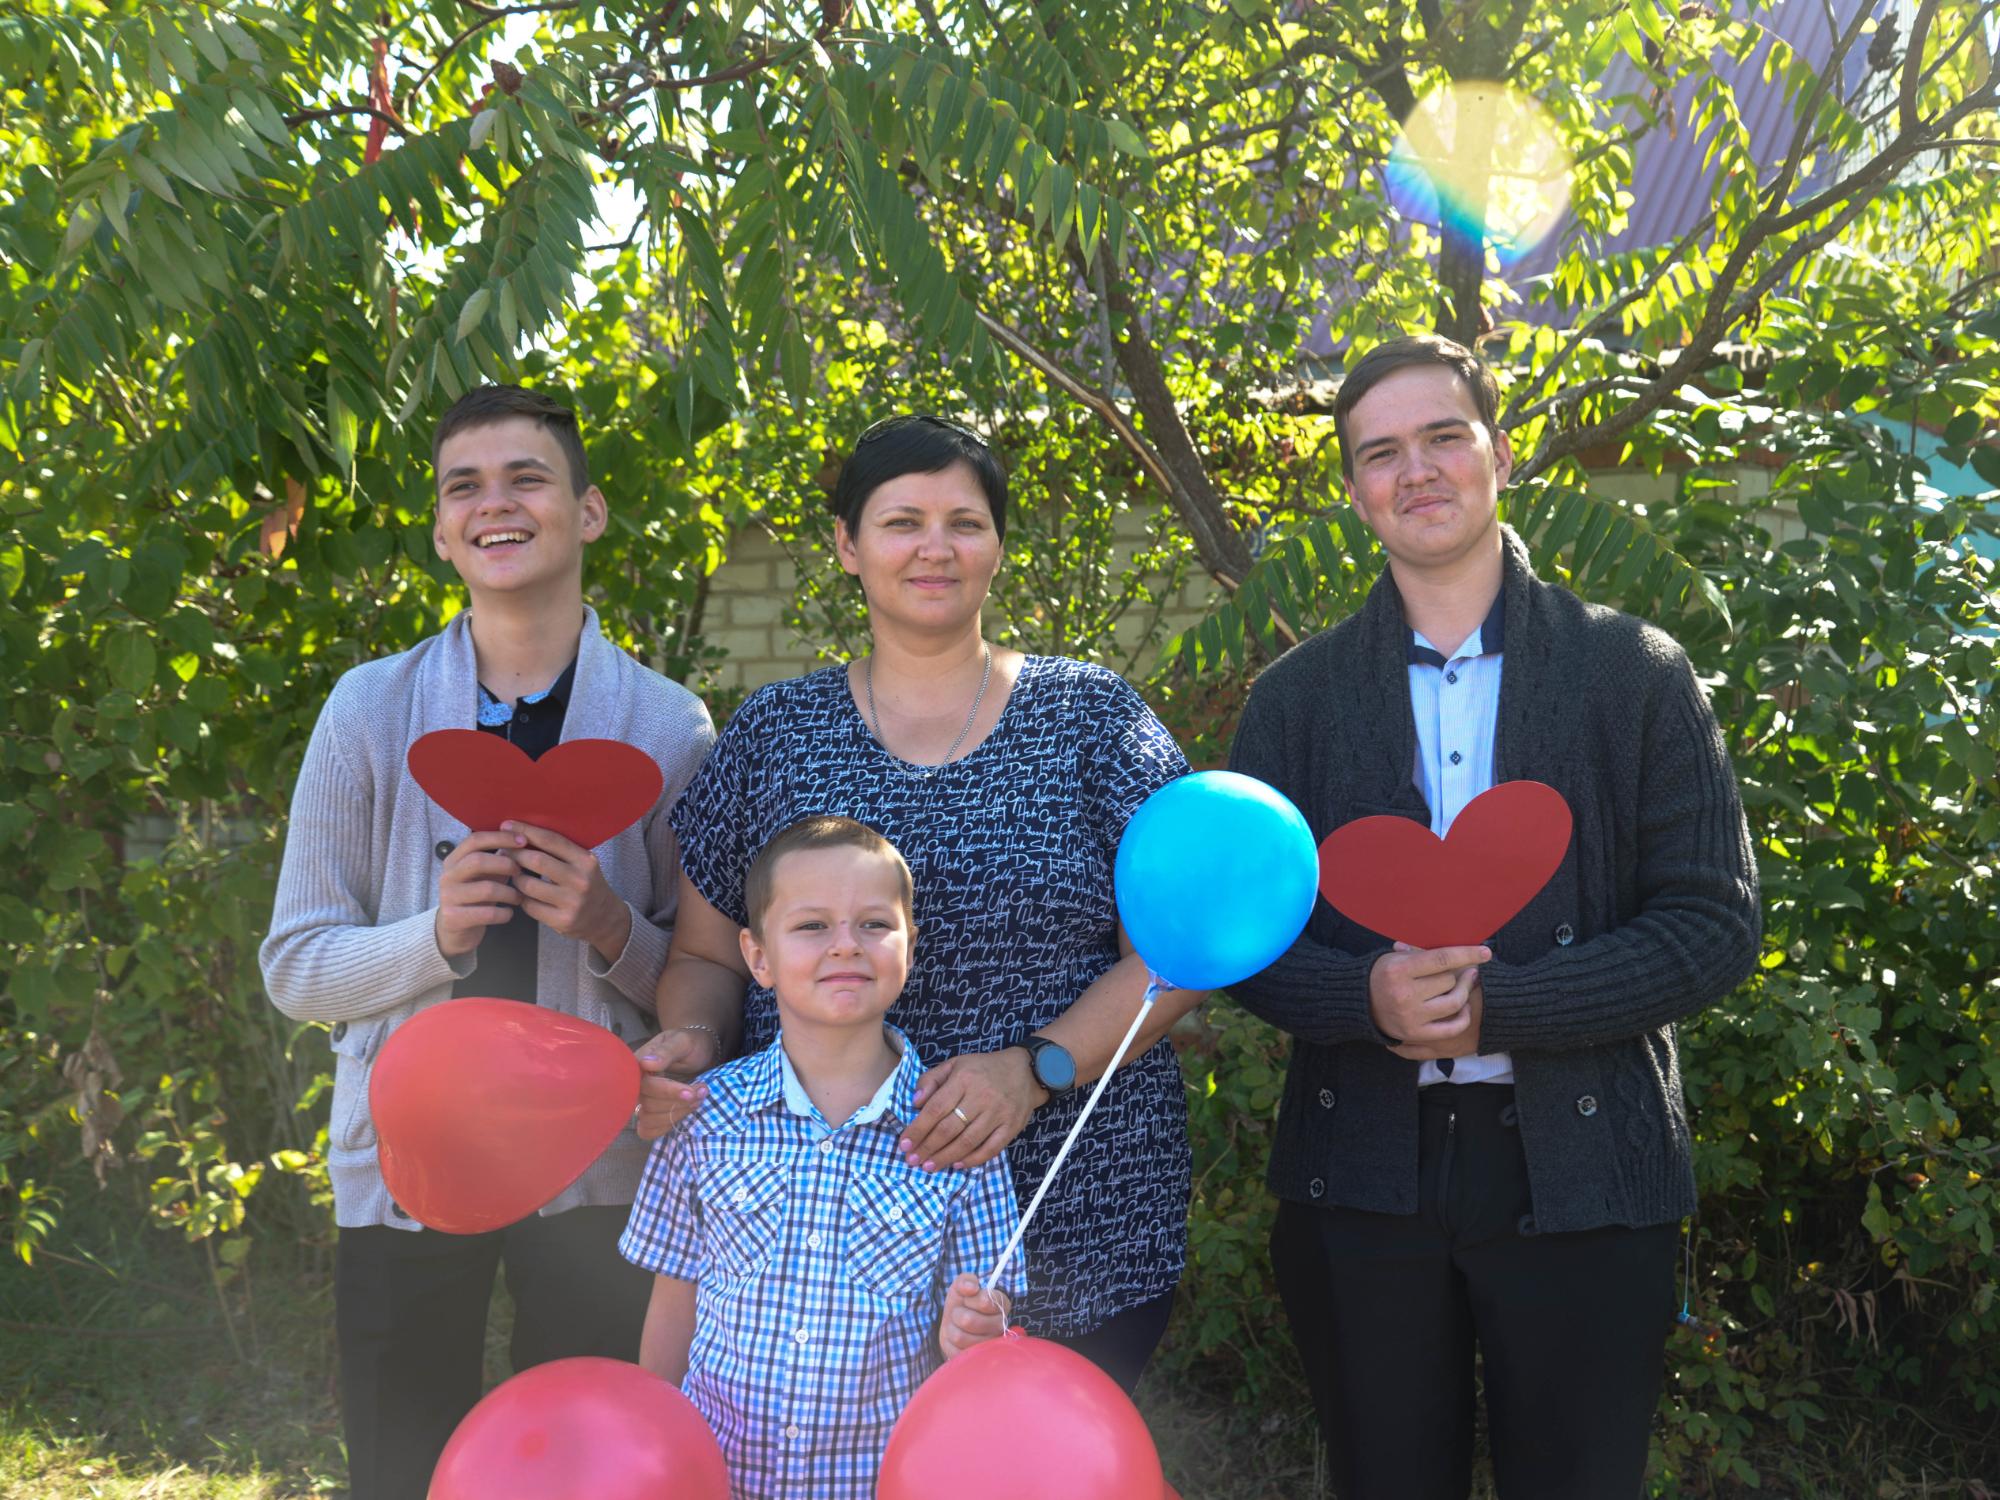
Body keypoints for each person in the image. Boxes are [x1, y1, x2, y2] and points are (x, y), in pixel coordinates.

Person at [1226, 335, 1761, 1499]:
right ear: (1353, 489)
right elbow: (1242, 941)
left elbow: (1712, 923)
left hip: (1584, 1171)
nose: (1414, 470)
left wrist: (1500, 1008)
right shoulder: (1293, 702)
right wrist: (1361, 996)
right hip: (1360, 1176)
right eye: (1380, 452)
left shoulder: (1634, 672)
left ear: (1499, 455)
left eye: (1442, 437)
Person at [634, 414, 1200, 1392]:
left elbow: (1181, 952)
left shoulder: (1092, 720)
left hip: (1071, 1219)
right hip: (814, 1248)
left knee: (1031, 1466)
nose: (934, 547)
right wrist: (690, 1042)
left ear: (997, 546)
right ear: (847, 546)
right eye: (902, 521)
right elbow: (705, 956)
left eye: (963, 522)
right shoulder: (773, 734)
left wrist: (1036, 1068)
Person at [259, 385, 714, 1500]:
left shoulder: (668, 727)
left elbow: (707, 985)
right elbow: (295, 966)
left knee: (587, 1465)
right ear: (440, 529)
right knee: (400, 1464)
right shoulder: (368, 710)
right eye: (464, 486)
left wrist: (609, 927)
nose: (494, 504)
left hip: (598, 1162)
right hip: (410, 1157)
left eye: (526, 479)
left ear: (587, 511)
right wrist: (435, 936)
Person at [622, 815, 1021, 1499]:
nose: (845, 945)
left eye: (874, 924)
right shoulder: (702, 1116)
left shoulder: (956, 1132)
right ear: (758, 957)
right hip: (719, 1475)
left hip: (877, 1482)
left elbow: (989, 1314)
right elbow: (674, 1298)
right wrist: (653, 1452)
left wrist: (980, 1329)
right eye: (812, 925)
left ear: (909, 946)